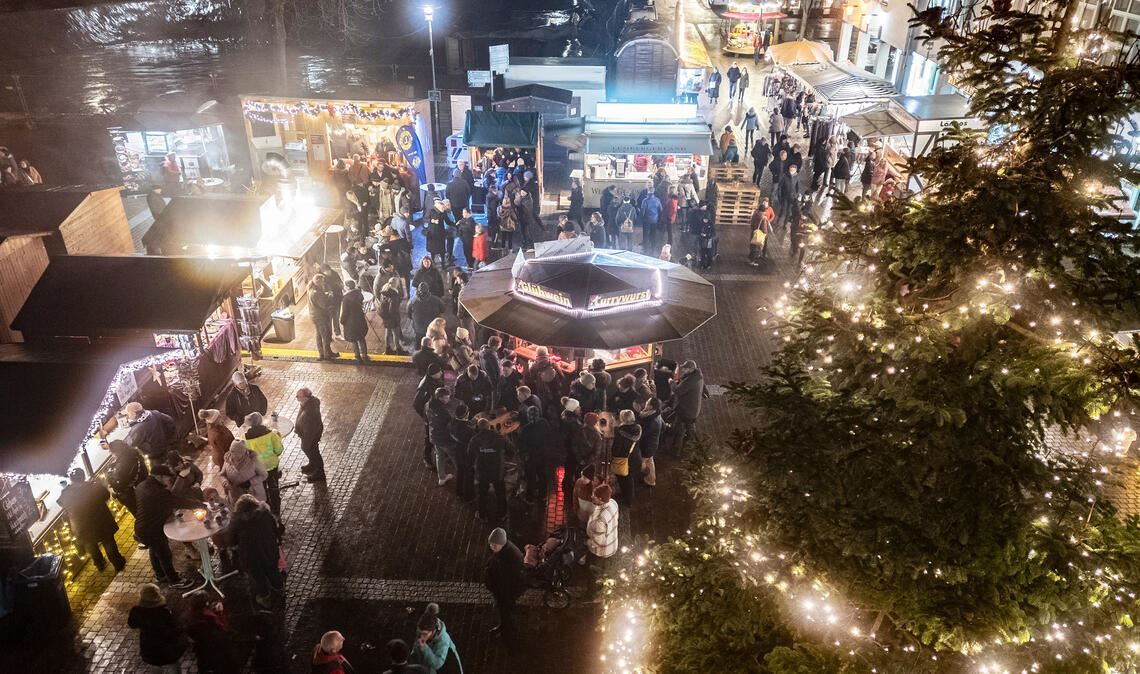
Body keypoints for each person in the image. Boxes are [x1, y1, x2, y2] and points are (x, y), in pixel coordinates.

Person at [135, 465, 201, 587]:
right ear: (159, 476)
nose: (169, 480)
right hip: (152, 529)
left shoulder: (141, 485)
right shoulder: (158, 492)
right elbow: (178, 501)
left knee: (155, 551)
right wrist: (200, 505)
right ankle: (174, 581)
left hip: (142, 528)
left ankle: (160, 575)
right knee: (164, 554)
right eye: (166, 478)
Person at [58, 468, 126, 572]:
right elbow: (106, 496)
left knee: (90, 544)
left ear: (71, 479)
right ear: (83, 476)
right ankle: (117, 563)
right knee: (108, 542)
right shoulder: (93, 486)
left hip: (81, 525)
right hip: (100, 521)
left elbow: (61, 503)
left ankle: (99, 564)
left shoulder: (66, 492)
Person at [232, 494, 283, 609]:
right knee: (273, 571)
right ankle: (279, 589)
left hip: (251, 557)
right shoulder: (265, 514)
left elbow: (232, 540)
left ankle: (265, 598)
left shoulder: (238, 522)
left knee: (258, 578)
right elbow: (276, 529)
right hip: (269, 551)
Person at [128, 583, 186, 673]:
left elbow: (132, 624)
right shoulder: (163, 612)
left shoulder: (137, 611)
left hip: (149, 650)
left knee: (155, 669)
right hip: (167, 651)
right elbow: (175, 629)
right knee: (173, 669)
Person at [485, 527, 526, 645]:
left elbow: (517, 580)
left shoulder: (512, 557)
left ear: (502, 544)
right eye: (491, 545)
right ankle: (505, 626)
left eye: (495, 545)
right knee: (504, 611)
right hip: (501, 590)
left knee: (506, 611)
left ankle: (508, 632)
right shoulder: (501, 551)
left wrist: (507, 594)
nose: (492, 548)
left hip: (506, 592)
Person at [184, 591, 240, 673]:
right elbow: (222, 629)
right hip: (219, 654)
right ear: (206, 604)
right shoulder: (208, 620)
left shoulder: (191, 618)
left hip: (204, 654)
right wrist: (220, 613)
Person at [243, 412, 285, 517]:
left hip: (257, 468)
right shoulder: (271, 434)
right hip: (271, 466)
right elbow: (279, 449)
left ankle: (266, 506)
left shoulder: (245, 437)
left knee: (262, 488)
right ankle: (276, 508)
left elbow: (246, 453)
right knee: (273, 487)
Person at [470, 418, 508, 522]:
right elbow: (510, 449)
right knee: (500, 494)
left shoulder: (475, 440)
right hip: (497, 471)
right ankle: (502, 514)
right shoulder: (498, 438)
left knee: (482, 494)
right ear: (489, 426)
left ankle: (482, 516)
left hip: (482, 472)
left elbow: (470, 455)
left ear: (478, 427)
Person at [666, 359, 705, 455]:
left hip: (686, 410)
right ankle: (692, 442)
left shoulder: (691, 381)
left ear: (691, 369)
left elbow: (678, 391)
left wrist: (671, 382)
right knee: (689, 426)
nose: (683, 370)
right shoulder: (698, 376)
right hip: (692, 409)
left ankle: (676, 452)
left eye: (686, 368)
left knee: (678, 430)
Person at [411, 603, 462, 674]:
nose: (421, 637)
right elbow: (414, 654)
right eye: (420, 633)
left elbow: (437, 664)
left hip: (448, 669)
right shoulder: (421, 632)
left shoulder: (444, 639)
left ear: (433, 631)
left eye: (425, 634)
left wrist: (424, 648)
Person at [517, 404, 553, 503]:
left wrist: (523, 456)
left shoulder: (525, 429)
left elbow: (521, 445)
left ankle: (530, 498)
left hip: (531, 457)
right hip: (543, 455)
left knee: (531, 478)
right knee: (542, 476)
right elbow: (549, 438)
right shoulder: (544, 423)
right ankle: (543, 495)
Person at [414, 363, 445, 470]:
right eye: (439, 372)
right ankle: (427, 457)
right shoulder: (424, 386)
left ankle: (442, 453)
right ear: (433, 374)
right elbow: (416, 404)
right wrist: (425, 417)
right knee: (430, 436)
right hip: (430, 415)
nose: (441, 373)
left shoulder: (436, 379)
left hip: (438, 411)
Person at [106, 440, 148, 516]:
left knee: (141, 514)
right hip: (143, 486)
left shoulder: (123, 463)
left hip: (132, 494)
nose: (112, 454)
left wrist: (112, 484)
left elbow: (120, 481)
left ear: (116, 451)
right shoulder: (134, 454)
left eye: (111, 452)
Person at [220, 439, 267, 504]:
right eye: (232, 452)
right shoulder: (227, 460)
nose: (234, 456)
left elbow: (264, 475)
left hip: (254, 495)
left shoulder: (253, 460)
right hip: (236, 497)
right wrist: (225, 483)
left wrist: (250, 482)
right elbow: (222, 475)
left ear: (244, 452)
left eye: (237, 453)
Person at [586, 483, 619, 574]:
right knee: (606, 566)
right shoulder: (613, 503)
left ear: (600, 499)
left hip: (601, 551)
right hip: (612, 544)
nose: (592, 496)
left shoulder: (600, 521)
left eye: (594, 495)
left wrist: (588, 542)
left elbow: (597, 541)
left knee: (594, 572)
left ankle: (593, 586)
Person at [427, 388, 457, 486]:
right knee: (454, 457)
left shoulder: (428, 405)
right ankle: (462, 475)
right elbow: (449, 427)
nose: (448, 399)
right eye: (446, 398)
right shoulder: (443, 413)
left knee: (439, 456)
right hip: (445, 439)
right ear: (440, 398)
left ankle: (442, 477)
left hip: (434, 436)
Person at [611, 409, 642, 506]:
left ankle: (628, 500)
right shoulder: (638, 428)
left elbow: (616, 450)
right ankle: (627, 496)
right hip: (635, 457)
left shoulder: (620, 433)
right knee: (630, 478)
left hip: (624, 460)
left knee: (625, 479)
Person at [296, 387, 326, 482]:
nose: (296, 397)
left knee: (313, 451)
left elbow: (310, 429)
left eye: (298, 396)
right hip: (307, 433)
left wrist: (307, 442)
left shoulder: (310, 412)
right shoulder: (307, 403)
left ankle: (319, 472)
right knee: (309, 449)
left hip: (311, 435)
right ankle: (312, 464)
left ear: (306, 397)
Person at [339, 279, 369, 362]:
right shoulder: (358, 293)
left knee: (354, 340)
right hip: (360, 319)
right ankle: (365, 355)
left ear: (348, 287)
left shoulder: (346, 298)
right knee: (361, 338)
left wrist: (342, 321)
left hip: (350, 322)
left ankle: (357, 356)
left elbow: (345, 312)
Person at [309, 274, 337, 360]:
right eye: (323, 281)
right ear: (319, 282)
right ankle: (327, 355)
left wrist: (325, 294)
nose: (324, 283)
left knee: (319, 335)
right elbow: (324, 305)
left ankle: (322, 354)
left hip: (315, 316)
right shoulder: (317, 292)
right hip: (321, 317)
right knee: (325, 335)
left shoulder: (312, 289)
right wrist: (330, 296)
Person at [638, 397, 665, 487]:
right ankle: (651, 480)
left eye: (648, 402)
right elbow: (664, 428)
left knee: (641, 462)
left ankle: (643, 476)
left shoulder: (652, 420)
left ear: (651, 407)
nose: (646, 402)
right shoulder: (657, 414)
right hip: (653, 444)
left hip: (647, 446)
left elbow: (643, 434)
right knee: (649, 461)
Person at [408, 282, 445, 346]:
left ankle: (418, 349)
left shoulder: (412, 301)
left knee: (418, 342)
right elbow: (443, 309)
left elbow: (409, 314)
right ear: (428, 290)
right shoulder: (436, 300)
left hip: (418, 328)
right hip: (432, 327)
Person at [379, 278, 408, 355]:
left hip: (385, 316)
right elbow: (393, 309)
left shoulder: (384, 290)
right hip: (392, 318)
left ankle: (387, 349)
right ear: (396, 284)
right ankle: (398, 349)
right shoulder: (394, 295)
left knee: (387, 332)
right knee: (396, 334)